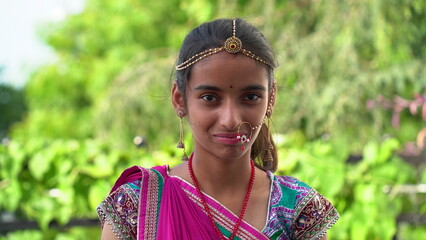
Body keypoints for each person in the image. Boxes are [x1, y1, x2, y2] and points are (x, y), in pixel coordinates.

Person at [97, 18, 339, 240]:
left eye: (251, 96)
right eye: (210, 98)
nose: (231, 119)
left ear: (271, 99)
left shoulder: (297, 209)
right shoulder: (138, 204)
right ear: (180, 99)